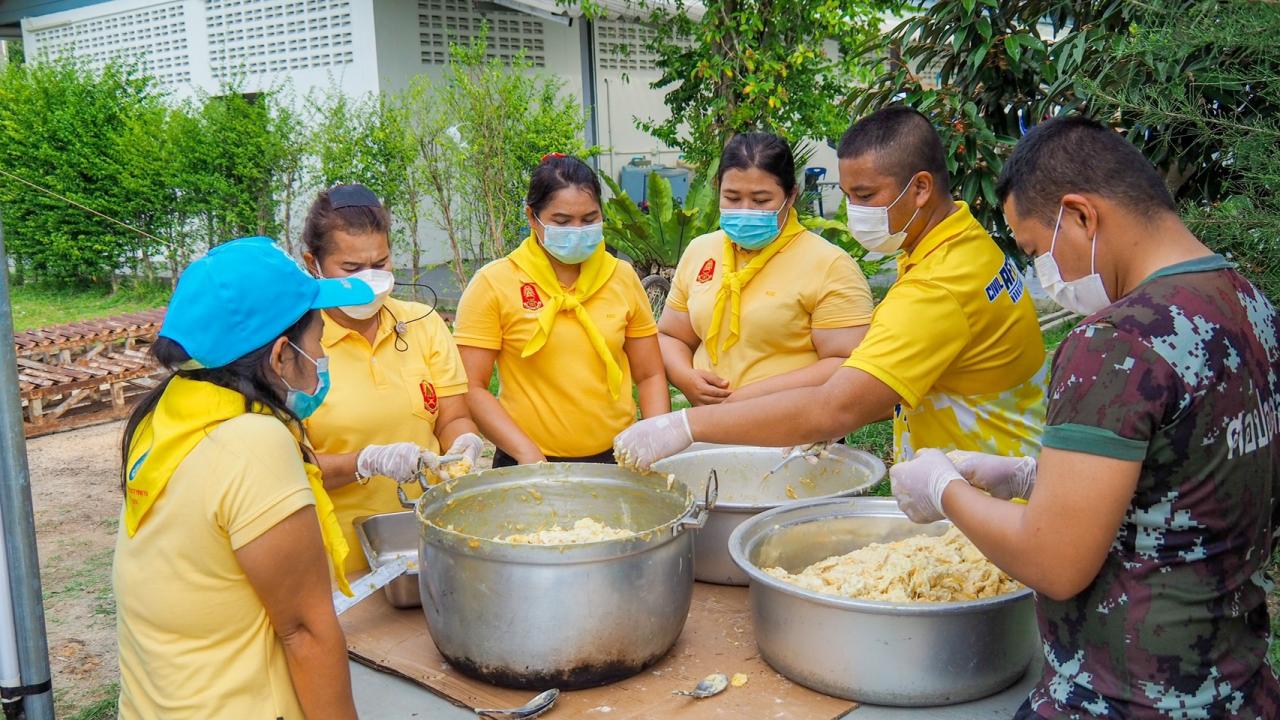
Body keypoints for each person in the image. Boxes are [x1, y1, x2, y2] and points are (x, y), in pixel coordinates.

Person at [890, 117, 1280, 718]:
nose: (1048, 274)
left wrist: (943, 489)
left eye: (1037, 251)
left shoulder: (1117, 341)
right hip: (1238, 688)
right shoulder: (1251, 306)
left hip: (1121, 698)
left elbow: (1054, 562)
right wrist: (1031, 477)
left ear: (1080, 216)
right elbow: (1191, 479)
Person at [615, 106, 1046, 469]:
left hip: (983, 485)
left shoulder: (937, 285)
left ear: (919, 189)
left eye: (866, 195)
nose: (853, 211)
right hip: (981, 467)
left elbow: (837, 405)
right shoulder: (962, 245)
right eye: (848, 195)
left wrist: (686, 426)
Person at [114, 237, 370, 718]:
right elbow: (304, 632)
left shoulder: (165, 414)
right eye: (318, 339)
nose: (321, 355)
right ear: (281, 355)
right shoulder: (253, 442)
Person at [300, 184, 483, 575]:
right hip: (336, 559)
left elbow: (452, 417)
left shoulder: (422, 324)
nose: (369, 280)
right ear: (313, 264)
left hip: (426, 543)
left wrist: (463, 445)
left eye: (380, 264)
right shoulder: (297, 346)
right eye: (351, 269)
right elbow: (289, 467)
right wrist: (366, 462)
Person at [453, 154, 668, 466]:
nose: (577, 230)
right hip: (526, 462)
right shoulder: (494, 283)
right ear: (532, 217)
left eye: (589, 219)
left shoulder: (621, 277)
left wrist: (658, 440)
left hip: (618, 459)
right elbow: (471, 387)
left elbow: (649, 374)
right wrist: (529, 456)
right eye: (562, 222)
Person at [659, 132, 873, 405]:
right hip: (709, 422)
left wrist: (748, 399)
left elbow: (847, 363)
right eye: (732, 198)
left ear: (791, 195)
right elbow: (671, 335)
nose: (745, 210)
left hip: (794, 424)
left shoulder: (829, 265)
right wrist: (685, 377)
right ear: (717, 188)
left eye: (761, 201)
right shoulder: (700, 251)